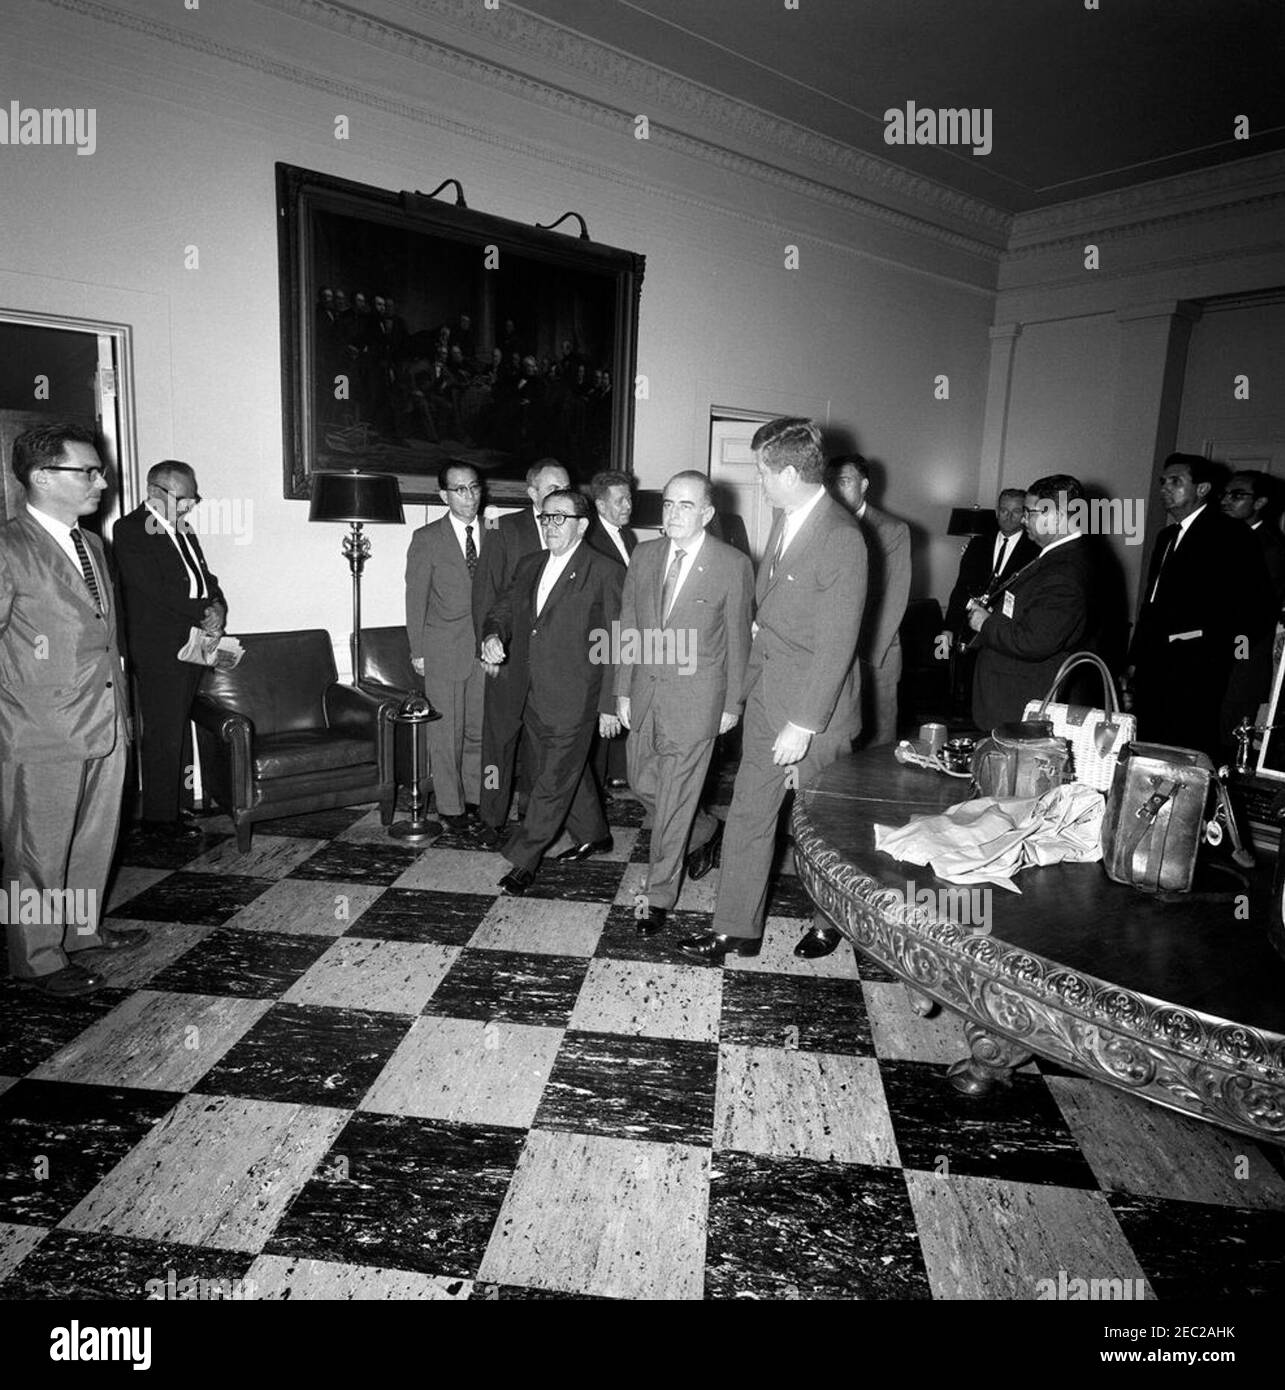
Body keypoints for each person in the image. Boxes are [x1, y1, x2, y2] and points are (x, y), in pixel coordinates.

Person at [677, 418, 866, 963]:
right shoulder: (788, 521)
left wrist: (803, 724)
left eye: (763, 471)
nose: (758, 481)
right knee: (749, 815)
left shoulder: (841, 537)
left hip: (816, 713)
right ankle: (735, 927)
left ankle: (829, 923)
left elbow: (837, 642)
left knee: (820, 831)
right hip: (768, 700)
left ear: (787, 472)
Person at [0, 423, 145, 997]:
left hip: (105, 720)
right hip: (38, 730)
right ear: (41, 477)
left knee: (90, 839)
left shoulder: (92, 545)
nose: (100, 481)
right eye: (86, 471)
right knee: (37, 850)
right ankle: (36, 959)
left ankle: (80, 933)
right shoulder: (9, 548)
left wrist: (124, 712)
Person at [616, 471, 753, 934]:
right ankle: (704, 830)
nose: (672, 513)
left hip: (698, 703)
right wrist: (621, 690)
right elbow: (630, 624)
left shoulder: (732, 564)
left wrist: (732, 703)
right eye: (669, 503)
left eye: (685, 505)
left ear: (707, 513)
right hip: (645, 693)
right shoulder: (645, 554)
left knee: (674, 801)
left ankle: (657, 895)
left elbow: (738, 639)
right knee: (640, 782)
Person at [479, 490, 623, 894]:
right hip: (531, 694)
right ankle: (595, 833)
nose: (550, 525)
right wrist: (493, 634)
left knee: (550, 780)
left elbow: (617, 642)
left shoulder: (605, 571)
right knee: (561, 771)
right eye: (546, 517)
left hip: (576, 698)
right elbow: (502, 609)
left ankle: (524, 858)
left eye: (561, 518)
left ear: (583, 524)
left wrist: (610, 703)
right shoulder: (530, 564)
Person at [1128, 453, 1274, 758]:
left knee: (1186, 754)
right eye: (1163, 481)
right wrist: (1135, 656)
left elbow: (1254, 611)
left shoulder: (1230, 535)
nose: (1165, 488)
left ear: (1203, 489)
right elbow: (1152, 602)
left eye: (1176, 481)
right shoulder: (1167, 535)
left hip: (1195, 672)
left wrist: (1215, 650)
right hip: (1153, 667)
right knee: (1148, 748)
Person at [113, 459, 227, 837]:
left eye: (194, 497)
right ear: (155, 492)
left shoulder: (183, 528)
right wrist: (202, 611)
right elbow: (154, 589)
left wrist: (217, 607)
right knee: (163, 732)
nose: (191, 504)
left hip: (191, 643)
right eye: (185, 497)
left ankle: (179, 805)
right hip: (159, 648)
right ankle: (160, 820)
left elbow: (204, 576)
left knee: (178, 726)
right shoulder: (130, 529)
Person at [472, 459, 571, 845]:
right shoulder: (504, 529)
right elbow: (487, 593)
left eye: (564, 487)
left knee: (540, 745)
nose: (559, 496)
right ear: (532, 494)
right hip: (508, 660)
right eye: (550, 489)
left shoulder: (577, 530)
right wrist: (487, 646)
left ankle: (533, 817)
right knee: (499, 743)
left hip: (552, 668)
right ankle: (492, 816)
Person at [968, 474, 1098, 730]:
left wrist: (986, 623)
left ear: (1058, 516)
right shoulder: (1056, 557)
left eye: (1030, 512)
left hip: (1019, 703)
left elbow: (1035, 641)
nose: (1024, 519)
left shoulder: (1065, 571)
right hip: (1010, 699)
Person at [405, 464, 487, 829]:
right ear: (444, 496)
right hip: (441, 651)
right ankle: (451, 808)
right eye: (460, 490)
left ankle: (476, 798)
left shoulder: (496, 532)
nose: (469, 497)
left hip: (485, 651)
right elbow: (415, 599)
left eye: (474, 488)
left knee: (479, 731)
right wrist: (417, 651)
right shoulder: (426, 538)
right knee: (446, 734)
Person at [828, 454, 910, 746]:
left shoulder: (891, 530)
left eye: (845, 481)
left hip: (877, 650)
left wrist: (864, 653)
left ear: (864, 485)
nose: (836, 489)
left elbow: (893, 599)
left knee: (878, 734)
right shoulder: (827, 527)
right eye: (831, 482)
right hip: (834, 648)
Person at [942, 489, 1037, 720]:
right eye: (1004, 511)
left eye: (1016, 512)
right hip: (971, 631)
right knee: (964, 688)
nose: (1009, 517)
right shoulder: (979, 543)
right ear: (997, 511)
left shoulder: (1035, 549)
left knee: (995, 695)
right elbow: (960, 587)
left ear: (1024, 514)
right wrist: (948, 628)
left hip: (1005, 634)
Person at [1218, 471, 1285, 746]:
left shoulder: (1271, 548)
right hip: (1223, 653)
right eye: (1225, 493)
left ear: (1260, 503)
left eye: (1237, 495)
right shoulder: (1228, 538)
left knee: (1230, 734)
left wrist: (1237, 653)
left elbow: (1254, 617)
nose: (1225, 500)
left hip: (1243, 656)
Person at [585, 469, 636, 788]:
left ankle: (612, 775)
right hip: (601, 640)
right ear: (601, 505)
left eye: (629, 498)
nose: (628, 505)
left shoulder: (626, 536)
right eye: (620, 500)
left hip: (622, 636)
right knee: (601, 717)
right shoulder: (592, 540)